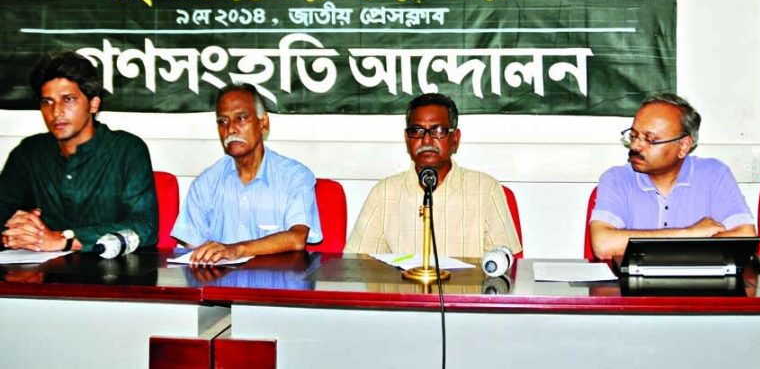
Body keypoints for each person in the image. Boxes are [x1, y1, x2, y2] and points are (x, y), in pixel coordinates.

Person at [0, 51, 158, 252]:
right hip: (42, 276)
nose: (56, 112)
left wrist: (64, 239)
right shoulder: (28, 152)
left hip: (111, 275)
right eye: (47, 102)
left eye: (68, 99)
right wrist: (15, 232)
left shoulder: (126, 150)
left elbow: (145, 227)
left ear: (93, 104)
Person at [344, 93, 522, 258]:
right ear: (407, 139)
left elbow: (504, 264)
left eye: (438, 131)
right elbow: (358, 264)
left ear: (455, 139)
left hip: (465, 291)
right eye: (417, 131)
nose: (427, 140)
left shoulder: (485, 189)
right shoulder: (384, 194)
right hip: (404, 291)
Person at [589, 93, 756, 260]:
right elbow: (603, 245)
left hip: (702, 284)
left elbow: (745, 237)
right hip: (634, 284)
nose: (635, 145)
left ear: (683, 146)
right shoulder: (616, 179)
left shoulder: (714, 174)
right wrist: (689, 234)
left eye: (650, 139)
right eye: (633, 136)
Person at [171, 84, 322, 264]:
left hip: (277, 288)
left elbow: (297, 238)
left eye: (241, 118)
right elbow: (192, 250)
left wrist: (237, 250)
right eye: (223, 121)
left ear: (263, 123)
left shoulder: (294, 177)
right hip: (220, 288)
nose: (231, 129)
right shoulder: (205, 183)